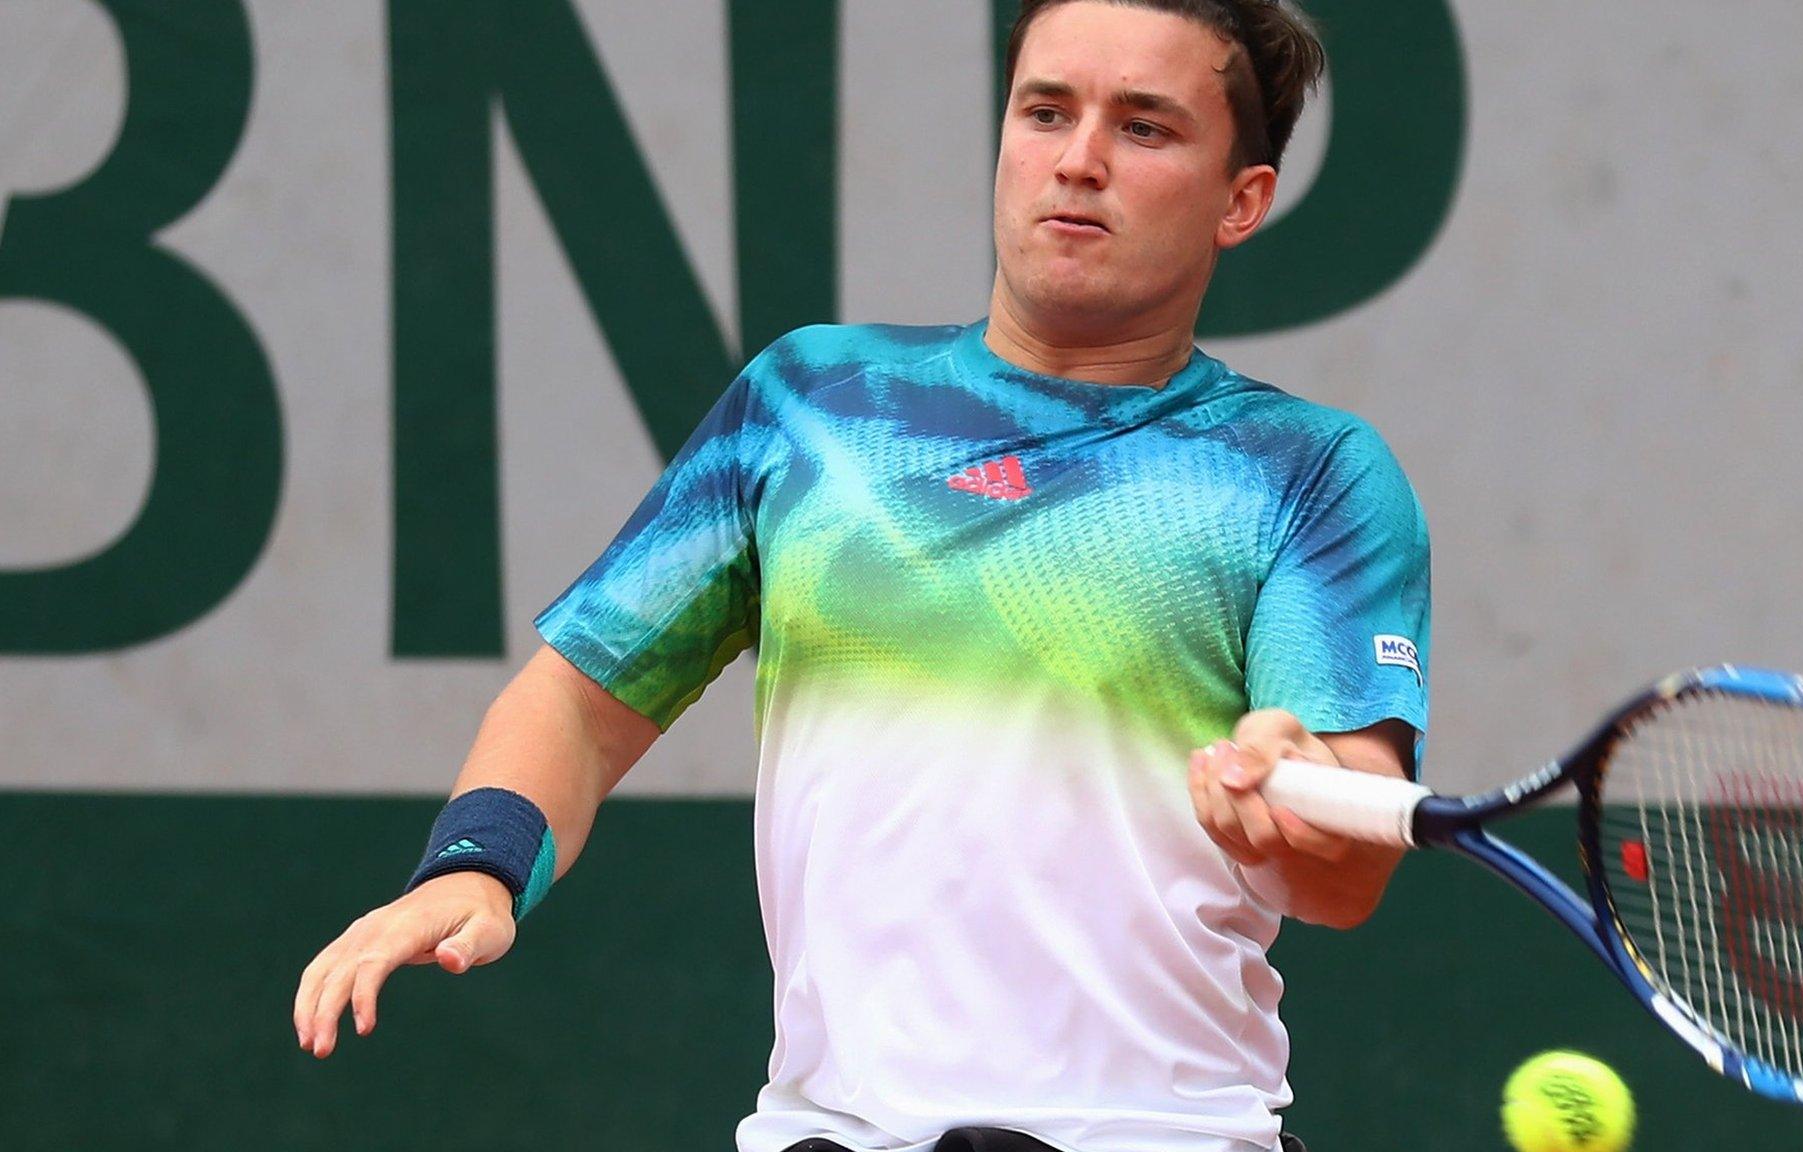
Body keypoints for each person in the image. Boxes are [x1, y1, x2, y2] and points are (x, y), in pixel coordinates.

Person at [293, 2, 1431, 1150]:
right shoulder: (811, 406)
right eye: (1045, 111)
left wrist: (1287, 797)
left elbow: (1345, 875)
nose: (1077, 160)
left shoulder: (1306, 473)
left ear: (1241, 197)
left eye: (1144, 128)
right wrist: (476, 867)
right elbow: (578, 706)